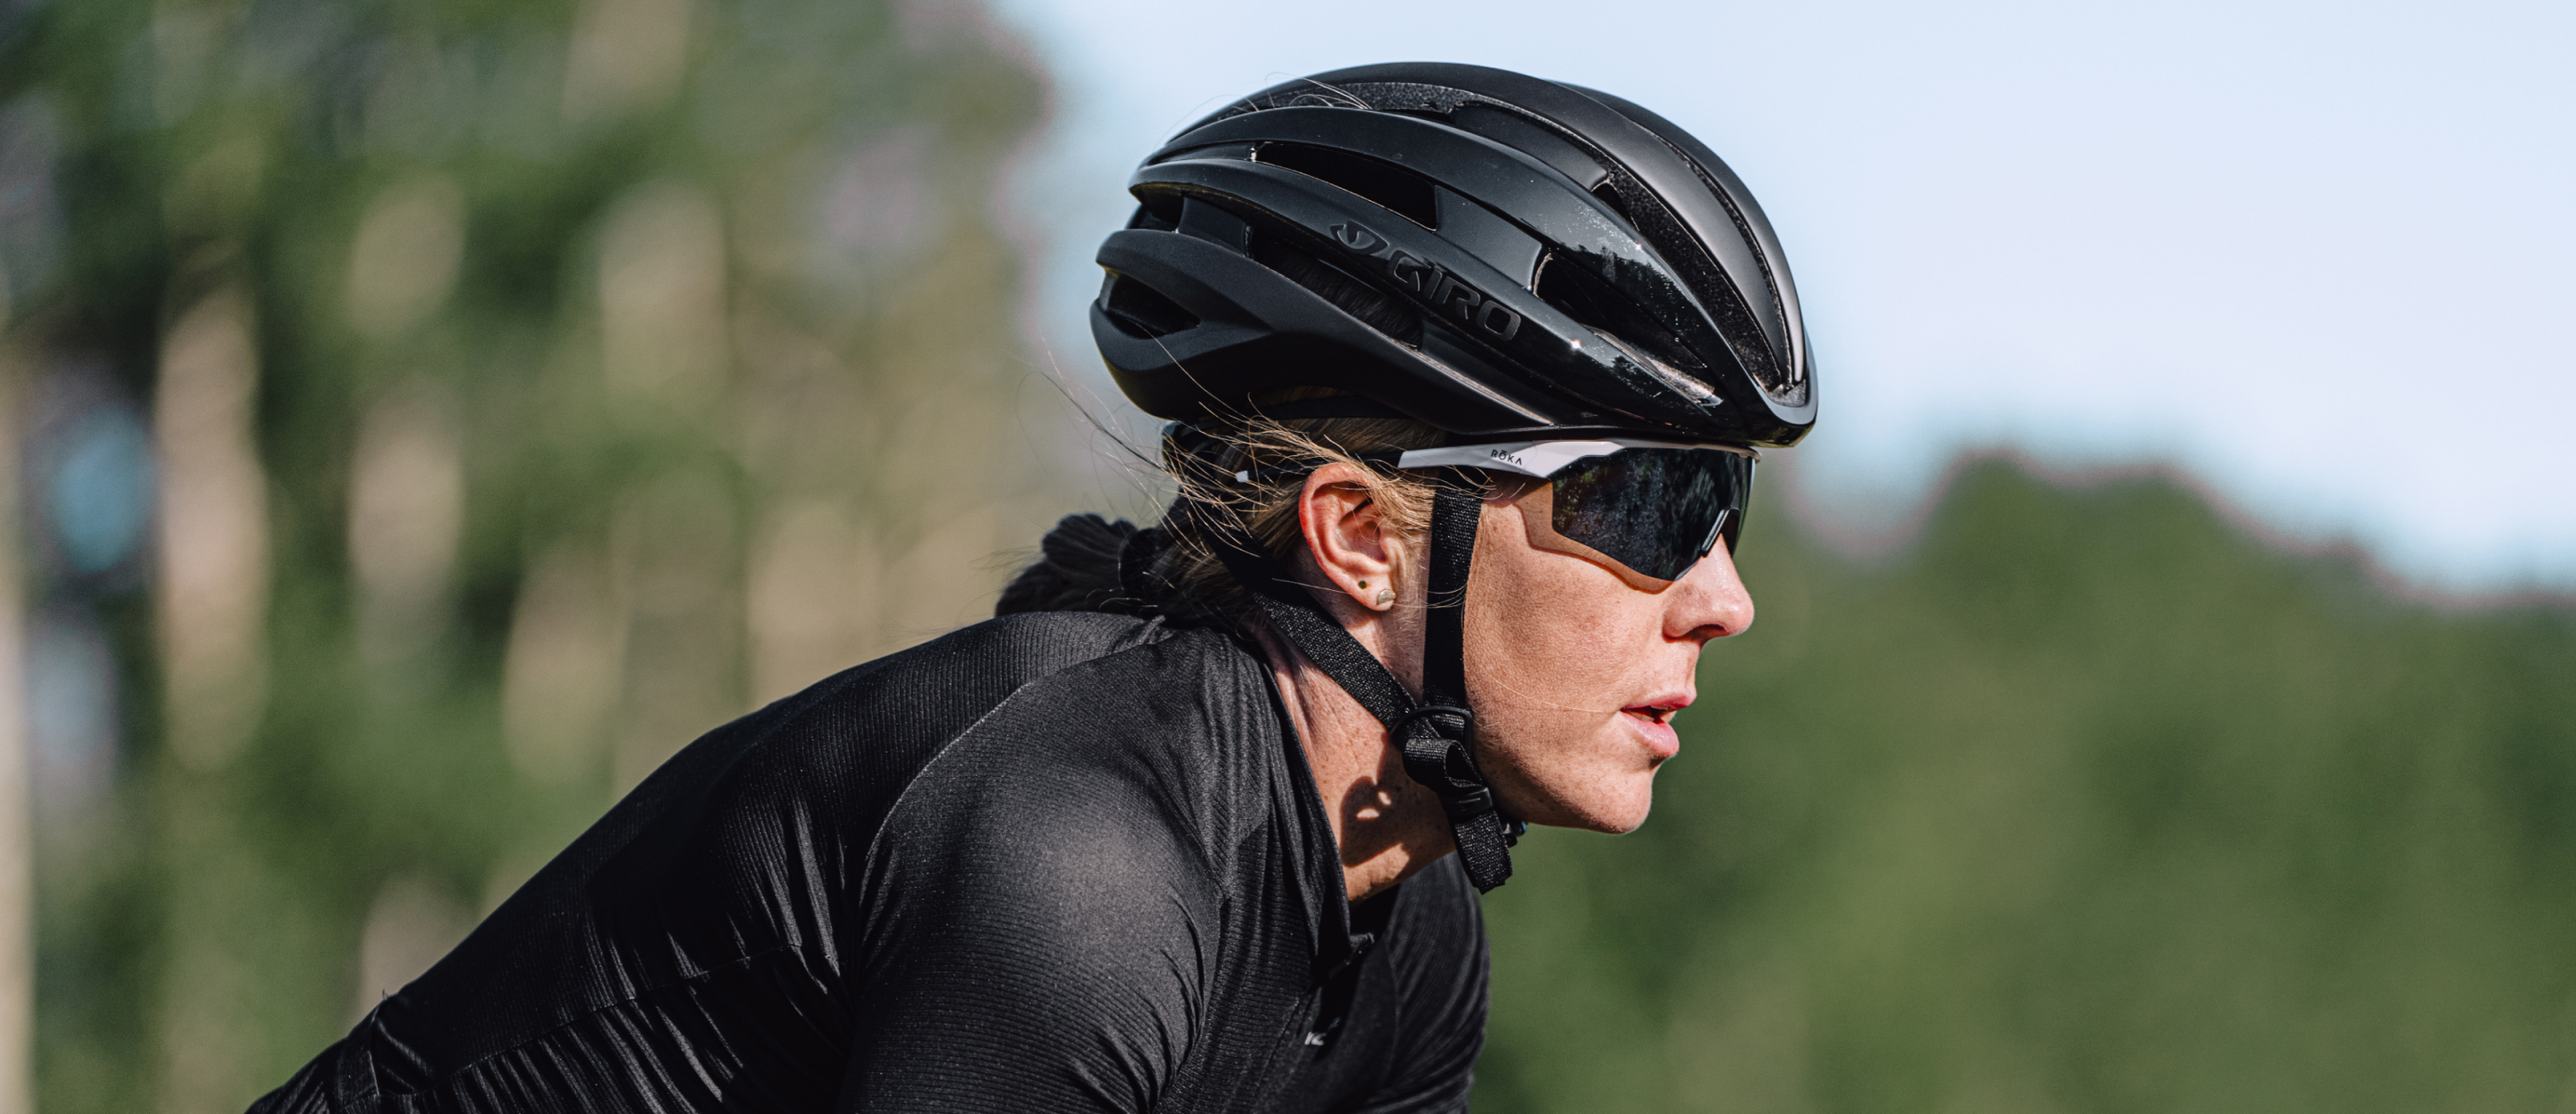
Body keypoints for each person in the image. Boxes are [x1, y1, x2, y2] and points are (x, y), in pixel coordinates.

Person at [250, 61, 1815, 1113]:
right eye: (1652, 504)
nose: (1721, 598)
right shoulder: (1081, 860)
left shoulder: (1406, 934)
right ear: (1359, 535)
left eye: (1724, 506)